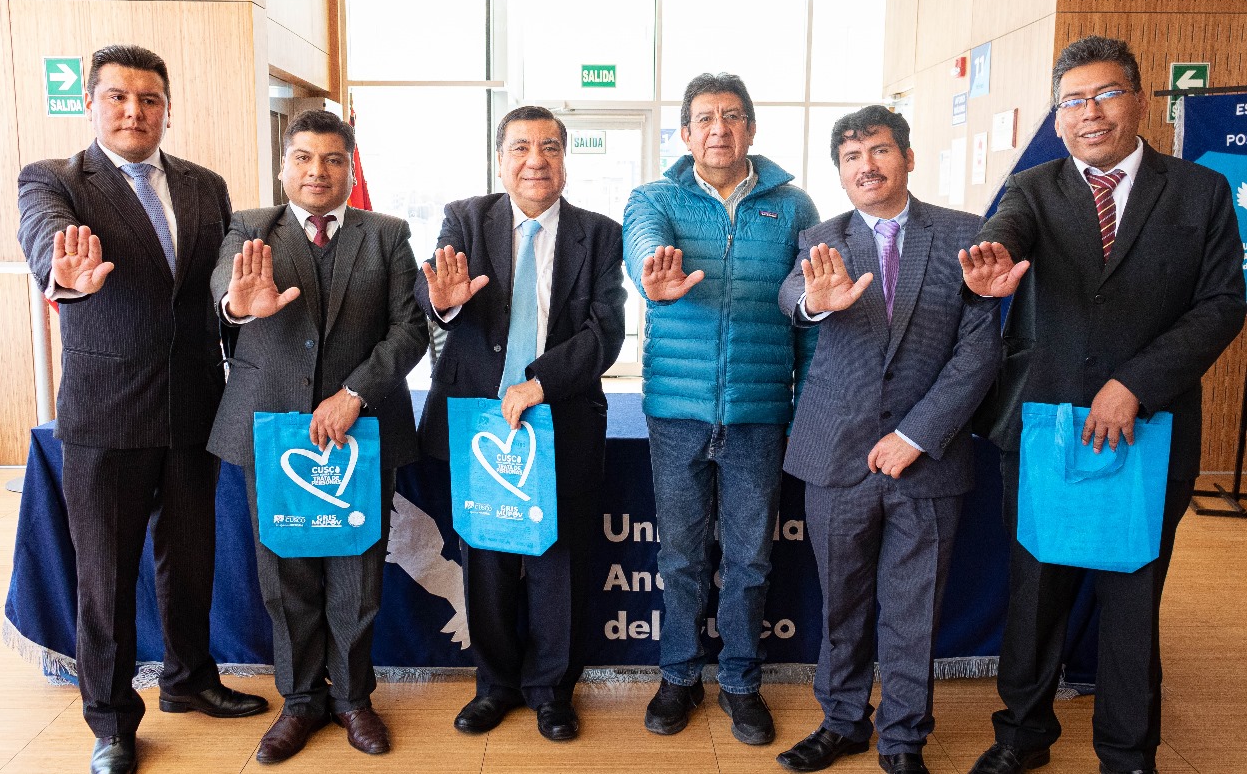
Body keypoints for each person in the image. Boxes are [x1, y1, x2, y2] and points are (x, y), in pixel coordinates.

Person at [959, 36, 1247, 774]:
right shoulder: (1036, 188)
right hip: (1047, 426)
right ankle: (1021, 733)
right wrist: (989, 269)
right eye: (1073, 100)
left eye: (1106, 93)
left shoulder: (1199, 191)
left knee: (1131, 600)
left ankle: (1127, 751)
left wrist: (1134, 383)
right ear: (1058, 119)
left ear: (1141, 99)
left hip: (1151, 429)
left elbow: (1222, 304)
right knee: (1036, 597)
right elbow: (1002, 238)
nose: (1090, 112)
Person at [15, 44, 267, 774]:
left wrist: (235, 308)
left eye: (149, 99)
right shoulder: (56, 181)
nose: (135, 111)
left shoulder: (204, 186)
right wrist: (60, 274)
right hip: (105, 419)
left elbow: (221, 283)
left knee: (190, 564)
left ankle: (190, 681)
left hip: (194, 408)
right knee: (106, 576)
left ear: (166, 108)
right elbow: (43, 238)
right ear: (91, 104)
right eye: (119, 97)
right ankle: (112, 718)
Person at [774, 106, 1000, 774]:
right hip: (836, 456)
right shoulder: (824, 236)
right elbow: (792, 296)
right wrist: (819, 304)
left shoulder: (965, 233)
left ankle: (902, 739)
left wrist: (915, 435)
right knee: (841, 602)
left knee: (913, 607)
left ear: (905, 156)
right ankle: (842, 721)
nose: (865, 165)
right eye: (851, 156)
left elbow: (978, 349)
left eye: (878, 150)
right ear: (840, 171)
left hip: (926, 461)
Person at [207, 109, 428, 763]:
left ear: (350, 168)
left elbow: (409, 328)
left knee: (358, 574)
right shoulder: (251, 227)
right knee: (285, 575)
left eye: (333, 159)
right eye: (303, 158)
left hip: (361, 429)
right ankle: (300, 699)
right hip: (272, 428)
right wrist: (236, 305)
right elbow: (226, 285)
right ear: (284, 167)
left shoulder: (387, 233)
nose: (317, 171)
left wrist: (354, 391)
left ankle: (354, 697)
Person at [414, 105, 626, 742]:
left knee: (560, 563)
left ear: (565, 160)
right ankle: (497, 684)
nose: (536, 159)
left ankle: (553, 690)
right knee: (487, 561)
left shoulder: (600, 233)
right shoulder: (466, 219)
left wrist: (542, 383)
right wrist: (443, 307)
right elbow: (435, 295)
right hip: (481, 423)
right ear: (499, 159)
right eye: (521, 147)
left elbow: (604, 331)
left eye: (550, 147)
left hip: (559, 421)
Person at [623, 72, 819, 746]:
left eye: (732, 116)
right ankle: (678, 673)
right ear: (684, 132)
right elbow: (641, 242)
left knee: (750, 559)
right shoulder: (656, 197)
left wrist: (813, 405)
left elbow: (812, 311)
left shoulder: (792, 206)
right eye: (704, 117)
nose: (718, 128)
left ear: (752, 129)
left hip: (760, 412)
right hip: (677, 412)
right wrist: (654, 270)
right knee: (679, 555)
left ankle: (740, 679)